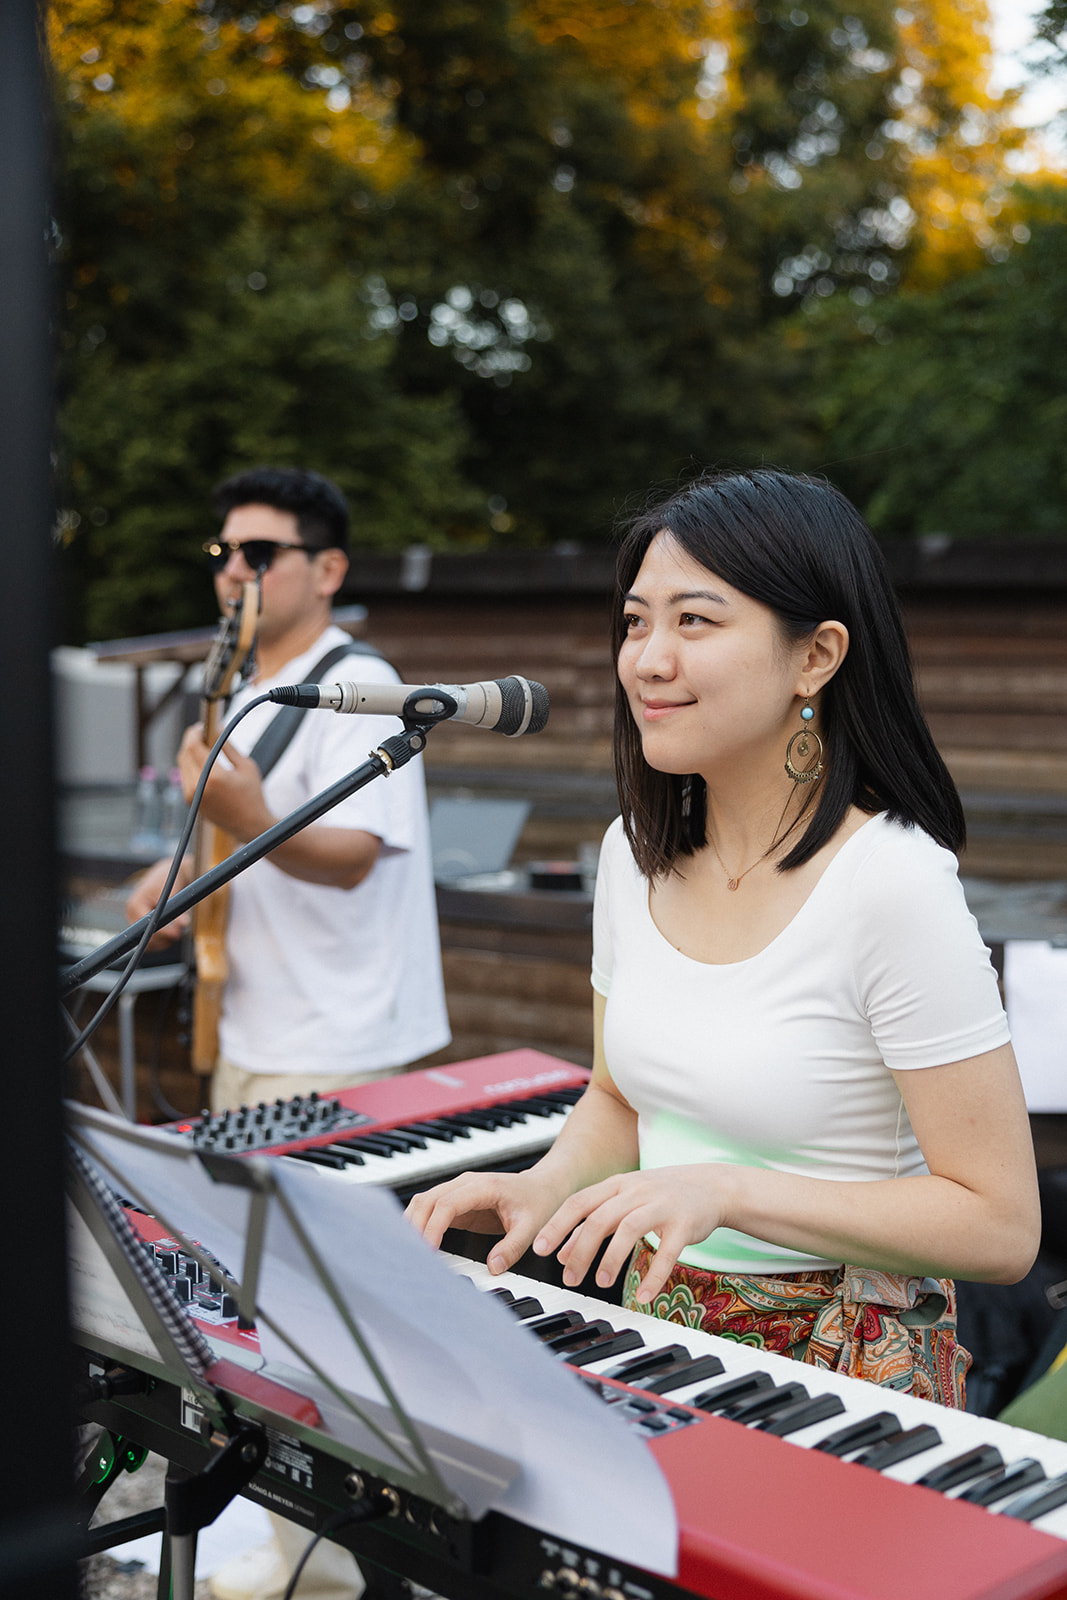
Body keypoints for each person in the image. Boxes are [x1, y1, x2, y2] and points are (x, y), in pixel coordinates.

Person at [407, 468, 1040, 1409]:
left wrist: (727, 1191)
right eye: (634, 621)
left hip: (847, 1368)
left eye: (694, 621)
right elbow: (620, 1099)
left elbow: (999, 1227)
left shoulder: (891, 883)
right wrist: (542, 1186)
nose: (647, 660)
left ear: (815, 656)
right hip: (660, 1338)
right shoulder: (633, 855)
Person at [127, 465, 450, 1600]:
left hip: (337, 1034)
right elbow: (241, 850)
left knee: (323, 1324)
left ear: (328, 569)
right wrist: (159, 875)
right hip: (254, 1018)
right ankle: (290, 1551)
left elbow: (350, 853)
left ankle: (355, 1564)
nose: (234, 571)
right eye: (223, 552)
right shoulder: (247, 681)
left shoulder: (361, 683)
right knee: (261, 1314)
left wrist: (241, 813)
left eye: (259, 553)